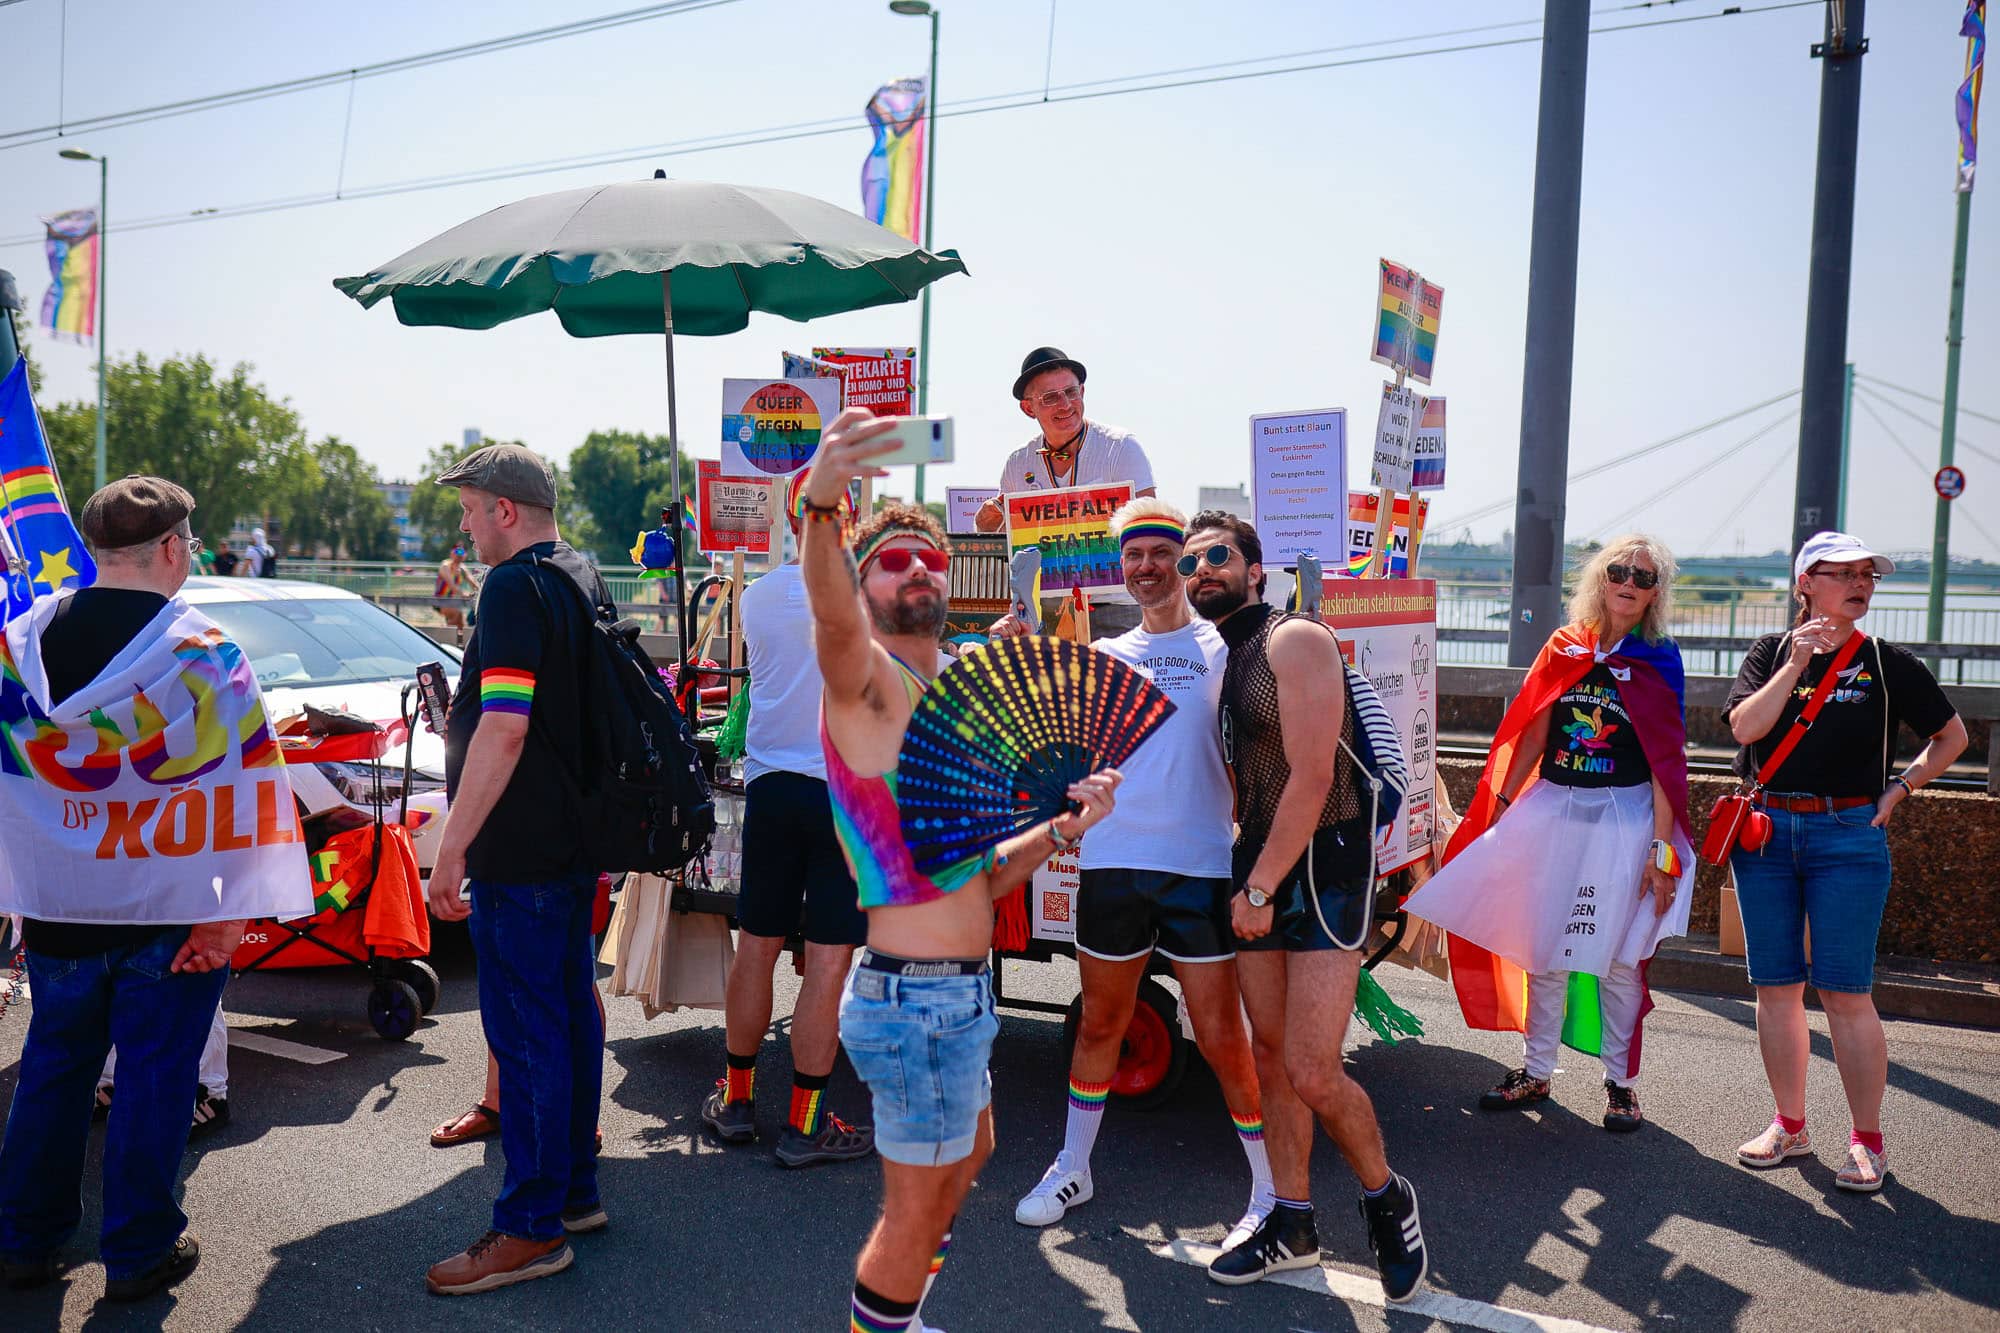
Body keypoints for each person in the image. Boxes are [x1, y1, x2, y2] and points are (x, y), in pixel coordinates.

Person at [801, 409, 1124, 1333]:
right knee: (915, 1213)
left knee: (971, 1152)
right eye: (892, 561)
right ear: (863, 584)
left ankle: (899, 1318)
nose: (918, 571)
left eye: (932, 560)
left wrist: (1061, 829)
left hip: (959, 991)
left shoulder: (943, 701)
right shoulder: (867, 684)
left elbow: (983, 877)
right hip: (914, 998)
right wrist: (823, 503)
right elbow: (828, 611)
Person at [0, 475, 310, 1301]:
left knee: (53, 1070)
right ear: (171, 548)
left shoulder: (19, 644)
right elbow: (245, 786)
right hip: (172, 913)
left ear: (95, 549)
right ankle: (139, 1251)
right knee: (155, 1078)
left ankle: (24, 1239)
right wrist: (227, 915)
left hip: (59, 909)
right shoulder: (203, 653)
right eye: (192, 544)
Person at [992, 499, 1273, 1247]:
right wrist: (1017, 657)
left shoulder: (1226, 646)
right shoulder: (1107, 654)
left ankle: (1268, 1188)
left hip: (1199, 867)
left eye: (1162, 553)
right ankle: (1072, 1166)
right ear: (1121, 567)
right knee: (1100, 1025)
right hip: (1113, 863)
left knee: (1221, 1036)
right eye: (1134, 555)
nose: (1147, 566)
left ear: (1185, 560)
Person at [1181, 510, 1428, 1302]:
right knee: (1269, 1054)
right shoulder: (1228, 655)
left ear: (1256, 569)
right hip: (1259, 860)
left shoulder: (1294, 639)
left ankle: (1387, 1196)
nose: (1200, 570)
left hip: (1324, 866)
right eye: (1190, 563)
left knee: (1313, 1067)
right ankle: (1292, 1222)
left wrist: (1259, 888)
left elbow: (1316, 777)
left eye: (1217, 555)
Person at [1403, 537, 1696, 1132]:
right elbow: (1534, 731)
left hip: (1625, 817)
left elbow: (1666, 764)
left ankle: (1621, 1086)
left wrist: (1661, 850)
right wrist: (1500, 808)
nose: (1628, 582)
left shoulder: (1660, 660)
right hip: (1555, 809)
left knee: (1621, 958)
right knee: (1546, 951)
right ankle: (1536, 1071)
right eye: (1619, 571)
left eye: (1643, 577)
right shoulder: (1564, 646)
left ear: (1655, 593)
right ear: (1601, 578)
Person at [422, 444, 612, 1295]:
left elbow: (504, 726)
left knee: (528, 1033)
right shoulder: (580, 572)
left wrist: (452, 846)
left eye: (469, 510)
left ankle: (531, 1226)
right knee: (568, 1017)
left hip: (520, 846)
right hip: (573, 841)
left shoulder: (509, 587)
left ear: (504, 509)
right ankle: (572, 1192)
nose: (466, 526)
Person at [1724, 532, 1967, 1193]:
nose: (1861, 584)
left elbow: (1952, 736)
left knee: (1845, 992)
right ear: (1806, 583)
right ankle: (1790, 1125)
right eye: (1845, 574)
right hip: (1767, 833)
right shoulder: (1771, 652)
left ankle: (1866, 1140)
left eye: (1868, 575)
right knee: (1776, 989)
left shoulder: (1887, 663)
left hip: (1848, 835)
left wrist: (1901, 788)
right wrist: (1795, 663)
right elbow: (1745, 728)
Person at [702, 475, 873, 1167]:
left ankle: (738, 1100)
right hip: (844, 796)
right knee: (827, 962)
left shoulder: (761, 596)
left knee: (758, 945)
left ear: (794, 522)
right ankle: (805, 1124)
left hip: (773, 788)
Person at [972, 347, 1156, 535]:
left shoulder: (1120, 447)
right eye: (1050, 397)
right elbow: (1006, 544)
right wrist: (985, 528)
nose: (1065, 405)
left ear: (1082, 392)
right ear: (1028, 408)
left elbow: (1150, 529)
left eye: (1070, 392)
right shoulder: (1017, 464)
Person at [435, 546, 475, 630]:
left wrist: (480, 591)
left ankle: (453, 635)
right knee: (457, 615)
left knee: (461, 623)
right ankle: (448, 635)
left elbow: (473, 582)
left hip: (453, 601)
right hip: (440, 600)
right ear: (451, 554)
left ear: (465, 556)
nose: (458, 557)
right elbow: (452, 586)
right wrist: (465, 594)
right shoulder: (445, 566)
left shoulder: (462, 568)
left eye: (461, 554)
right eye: (456, 553)